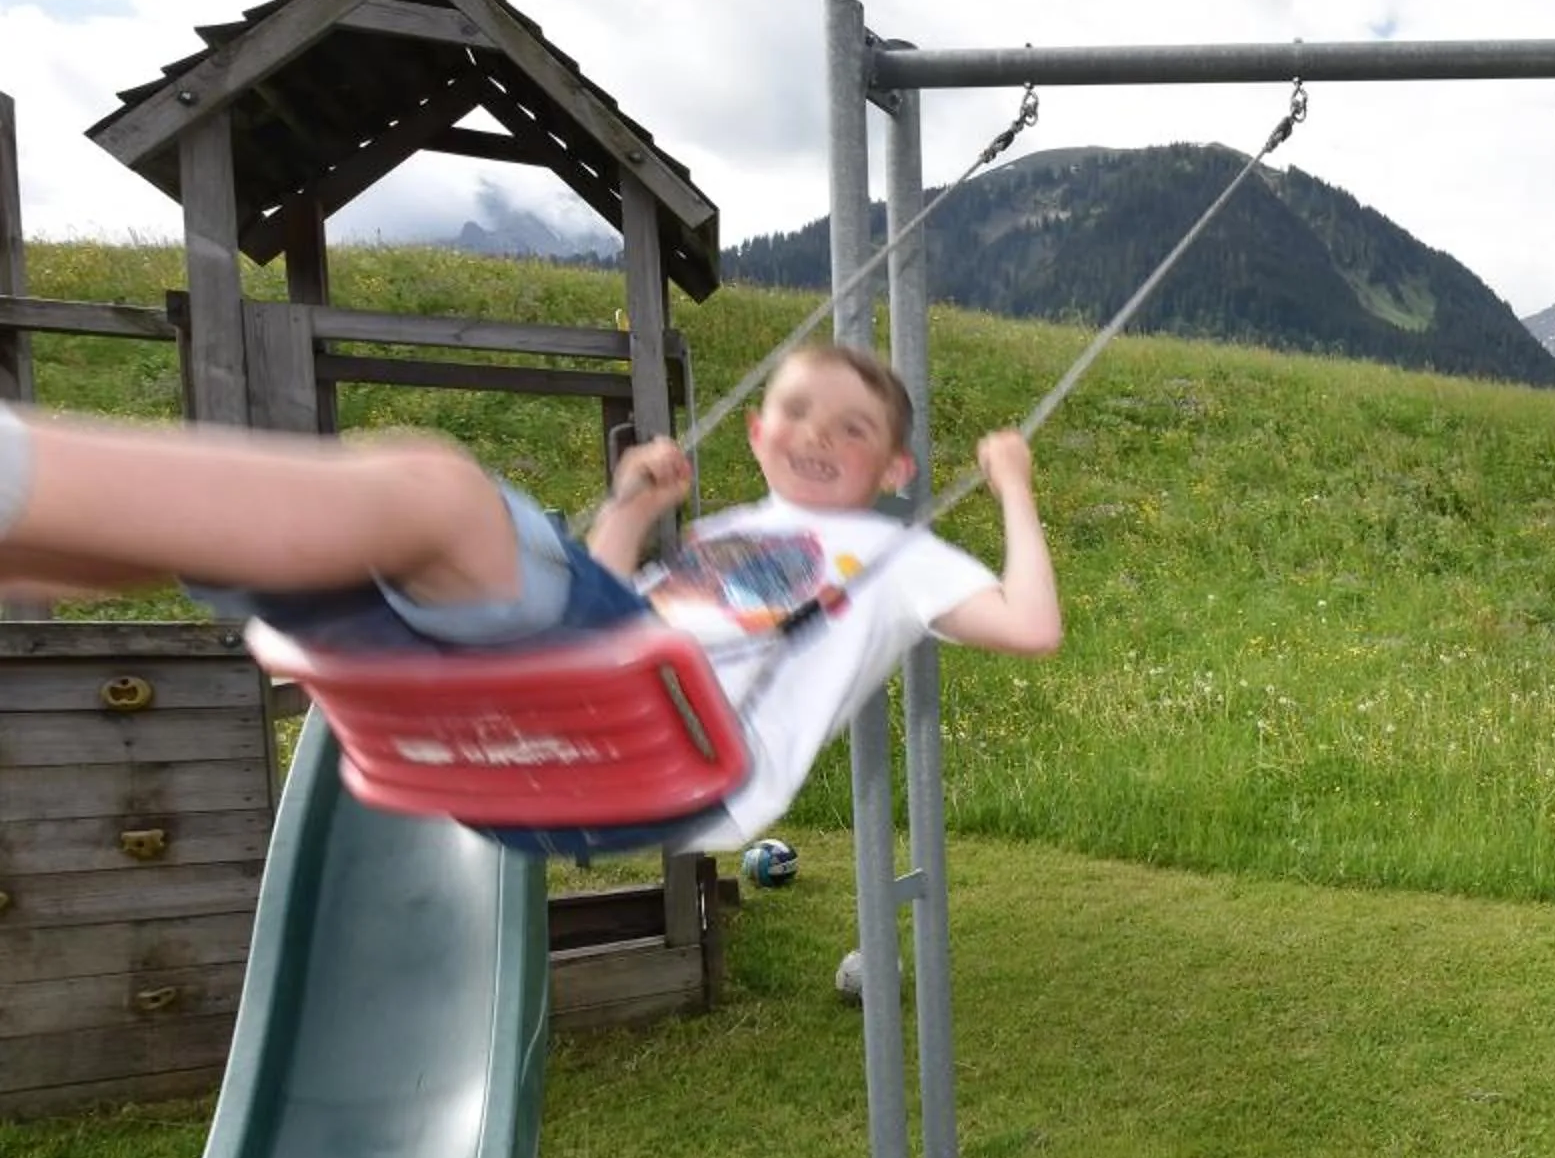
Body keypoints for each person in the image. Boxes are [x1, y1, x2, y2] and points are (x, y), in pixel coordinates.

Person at [0, 341, 1061, 855]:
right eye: (797, 411)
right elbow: (604, 599)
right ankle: (37, 538)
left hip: (659, 764)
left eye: (854, 430)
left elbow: (1032, 628)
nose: (819, 438)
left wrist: (1012, 488)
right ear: (756, 431)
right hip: (516, 750)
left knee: (437, 495)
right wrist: (634, 508)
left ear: (897, 471)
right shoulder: (734, 535)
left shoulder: (896, 552)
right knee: (293, 551)